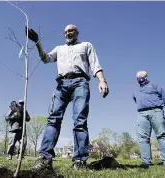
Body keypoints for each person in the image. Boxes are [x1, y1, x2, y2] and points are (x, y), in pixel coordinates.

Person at [26, 24, 109, 171]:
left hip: (80, 83)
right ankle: (45, 159)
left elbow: (95, 64)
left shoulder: (86, 45)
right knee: (53, 119)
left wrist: (102, 80)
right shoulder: (59, 49)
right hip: (61, 84)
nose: (68, 33)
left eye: (71, 30)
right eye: (65, 31)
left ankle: (79, 161)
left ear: (77, 32)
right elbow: (45, 58)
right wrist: (37, 42)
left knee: (80, 120)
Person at [133, 71, 165, 168]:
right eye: (137, 77)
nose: (139, 78)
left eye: (141, 76)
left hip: (156, 111)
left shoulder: (154, 85)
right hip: (142, 114)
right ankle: (146, 162)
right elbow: (135, 99)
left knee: (162, 135)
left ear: (146, 77)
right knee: (143, 138)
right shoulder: (136, 90)